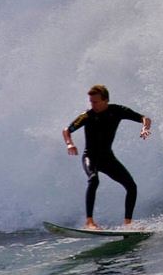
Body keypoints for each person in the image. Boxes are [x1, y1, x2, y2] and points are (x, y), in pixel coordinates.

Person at [62, 84, 151, 228]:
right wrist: (69, 144)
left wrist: (145, 128)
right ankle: (89, 222)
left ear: (105, 100)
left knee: (131, 186)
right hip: (90, 157)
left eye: (95, 102)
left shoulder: (118, 111)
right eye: (91, 102)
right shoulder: (87, 116)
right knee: (93, 180)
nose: (93, 105)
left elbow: (144, 118)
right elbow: (67, 130)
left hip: (107, 158)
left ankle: (128, 223)